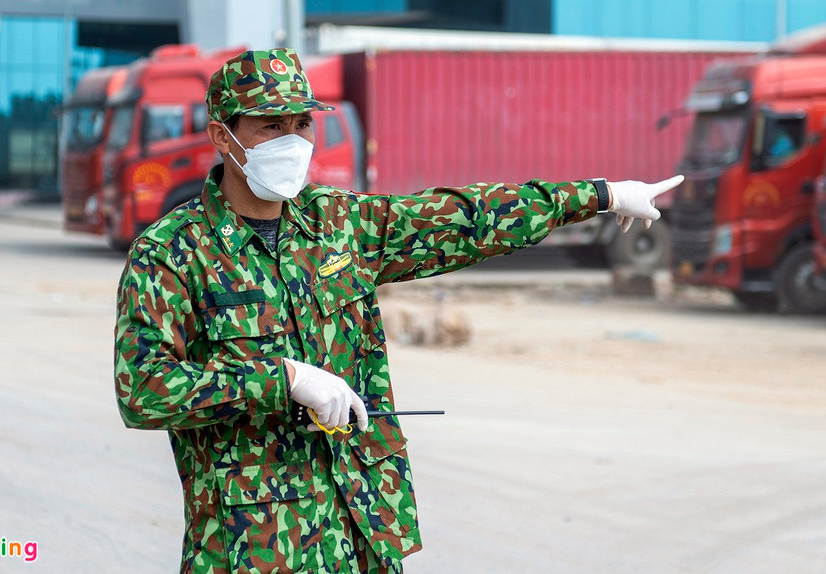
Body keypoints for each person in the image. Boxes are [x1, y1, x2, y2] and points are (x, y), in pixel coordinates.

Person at [114, 48, 683, 574]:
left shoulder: (341, 225)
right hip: (254, 548)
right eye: (271, 126)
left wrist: (601, 195)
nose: (293, 139)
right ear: (222, 135)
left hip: (361, 532)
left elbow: (465, 217)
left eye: (302, 124)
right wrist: (281, 380)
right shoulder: (174, 251)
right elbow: (142, 390)